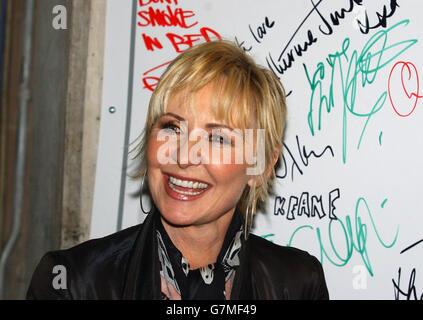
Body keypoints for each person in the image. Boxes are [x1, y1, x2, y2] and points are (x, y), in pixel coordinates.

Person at [26, 40, 329, 300]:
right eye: (172, 127)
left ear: (260, 165)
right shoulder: (72, 283)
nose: (184, 156)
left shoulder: (299, 283)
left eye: (218, 137)